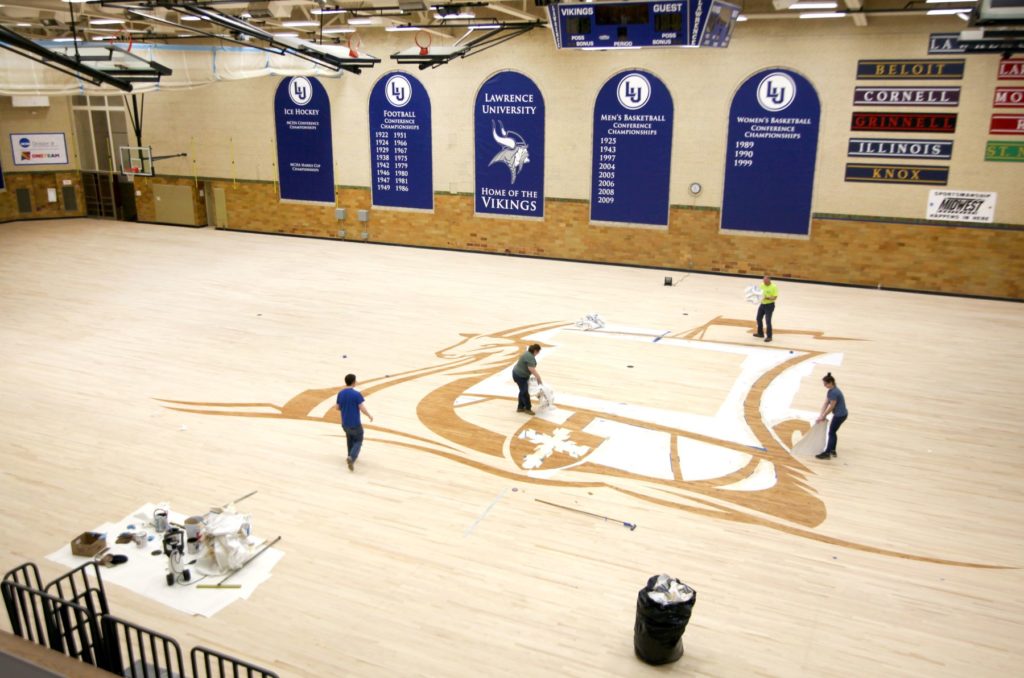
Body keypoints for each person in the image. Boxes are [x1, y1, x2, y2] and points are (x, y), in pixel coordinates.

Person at [335, 374, 373, 471]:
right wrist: (369, 415)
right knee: (358, 441)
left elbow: (337, 408)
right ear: (353, 382)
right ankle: (351, 457)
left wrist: (346, 408)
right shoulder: (356, 394)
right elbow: (362, 408)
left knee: (349, 439)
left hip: (345, 423)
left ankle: (349, 455)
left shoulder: (341, 393)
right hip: (355, 424)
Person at [815, 372, 848, 460]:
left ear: (831, 383)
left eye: (825, 384)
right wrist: (821, 415)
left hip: (839, 416)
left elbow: (831, 406)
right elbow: (826, 403)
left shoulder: (834, 393)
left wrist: (824, 416)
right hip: (842, 414)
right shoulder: (831, 391)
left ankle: (827, 453)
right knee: (833, 432)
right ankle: (832, 450)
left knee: (831, 432)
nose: (824, 385)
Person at [511, 344, 542, 415]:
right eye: (538, 351)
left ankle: (520, 407)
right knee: (524, 392)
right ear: (535, 351)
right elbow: (532, 369)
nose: (538, 353)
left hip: (518, 374)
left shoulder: (527, 353)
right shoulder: (530, 357)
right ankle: (528, 408)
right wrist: (539, 379)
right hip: (519, 376)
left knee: (522, 390)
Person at [753, 275, 778, 343]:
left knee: (768, 321)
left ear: (769, 280)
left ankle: (769, 337)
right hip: (762, 305)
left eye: (765, 281)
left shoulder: (774, 287)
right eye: (763, 280)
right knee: (758, 318)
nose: (764, 282)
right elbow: (759, 293)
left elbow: (774, 298)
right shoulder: (762, 285)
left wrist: (766, 298)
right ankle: (760, 333)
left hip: (769, 306)